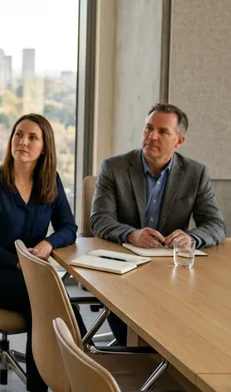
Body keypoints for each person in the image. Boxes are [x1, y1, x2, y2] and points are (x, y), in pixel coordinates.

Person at [89, 103, 227, 345]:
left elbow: (215, 224)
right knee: (131, 337)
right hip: (123, 273)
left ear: (179, 141)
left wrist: (191, 238)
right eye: (148, 128)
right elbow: (99, 219)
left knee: (194, 329)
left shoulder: (196, 173)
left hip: (172, 276)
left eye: (163, 132)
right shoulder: (114, 168)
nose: (152, 136)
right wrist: (131, 234)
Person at [0, 114, 79, 392]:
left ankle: (69, 379)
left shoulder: (50, 181)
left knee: (45, 306)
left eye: (32, 137)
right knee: (47, 300)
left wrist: (49, 243)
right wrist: (18, 262)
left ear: (45, 147)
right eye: (18, 134)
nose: (23, 142)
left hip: (30, 279)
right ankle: (49, 385)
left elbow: (69, 227)